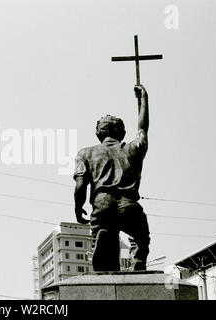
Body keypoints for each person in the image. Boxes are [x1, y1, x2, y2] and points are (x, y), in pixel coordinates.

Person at [73, 84, 150, 271]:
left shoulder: (86, 153)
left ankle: (103, 237)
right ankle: (138, 259)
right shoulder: (133, 148)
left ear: (99, 133)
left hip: (102, 203)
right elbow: (142, 129)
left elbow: (80, 185)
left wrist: (78, 207)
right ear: (122, 133)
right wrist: (143, 100)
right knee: (140, 236)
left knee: (105, 235)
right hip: (129, 204)